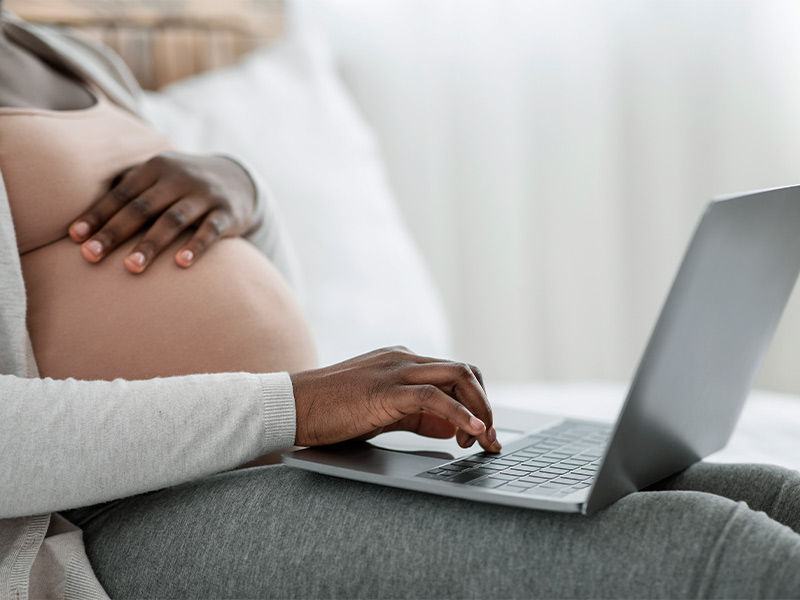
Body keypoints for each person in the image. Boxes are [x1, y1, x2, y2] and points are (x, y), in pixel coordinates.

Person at [1, 5, 800, 599]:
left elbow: (242, 294)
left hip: (284, 457)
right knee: (707, 550)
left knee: (770, 495)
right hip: (112, 516)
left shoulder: (65, 54)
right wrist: (298, 406)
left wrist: (246, 195)